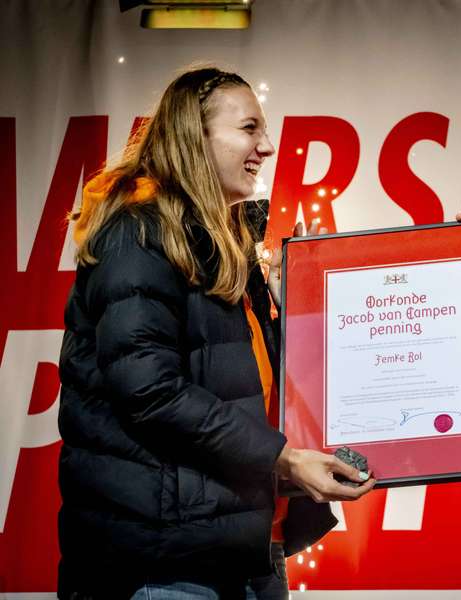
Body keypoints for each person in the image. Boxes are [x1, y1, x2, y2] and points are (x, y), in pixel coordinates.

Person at [58, 67, 375, 599]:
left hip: (243, 543)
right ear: (192, 136)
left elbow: (245, 389)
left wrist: (292, 316)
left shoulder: (223, 242)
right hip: (165, 562)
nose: (267, 147)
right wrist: (285, 458)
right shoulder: (138, 236)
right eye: (249, 129)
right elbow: (151, 392)